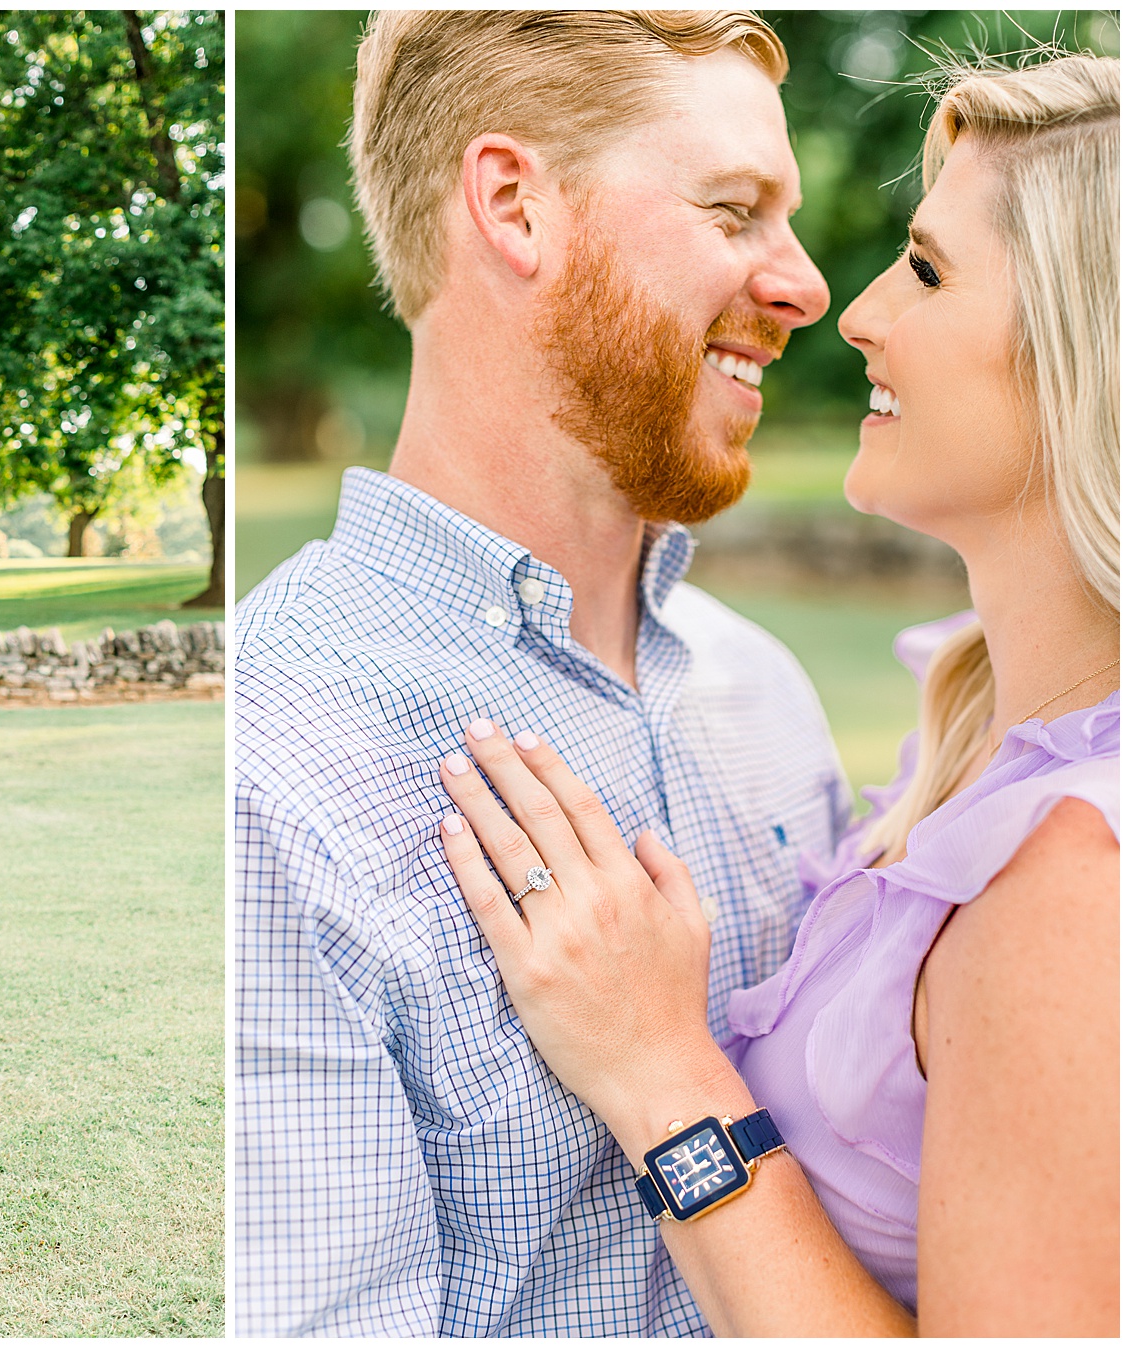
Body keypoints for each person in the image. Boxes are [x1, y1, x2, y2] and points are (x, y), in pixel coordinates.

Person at [438, 52, 1117, 1335]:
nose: (851, 310)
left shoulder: (1081, 876)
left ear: (1085, 348)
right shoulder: (988, 749)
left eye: (926, 269)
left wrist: (660, 1073)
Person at [235, 11, 848, 1335]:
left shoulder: (769, 695)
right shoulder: (271, 768)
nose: (805, 287)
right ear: (517, 206)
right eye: (736, 210)